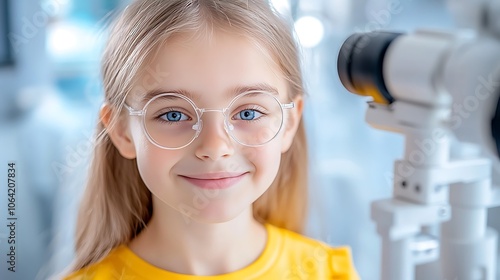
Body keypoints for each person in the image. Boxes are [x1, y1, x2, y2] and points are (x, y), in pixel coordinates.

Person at [63, 0, 359, 279]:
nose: (215, 148)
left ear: (289, 123)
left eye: (248, 113)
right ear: (121, 130)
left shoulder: (330, 274)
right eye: (174, 115)